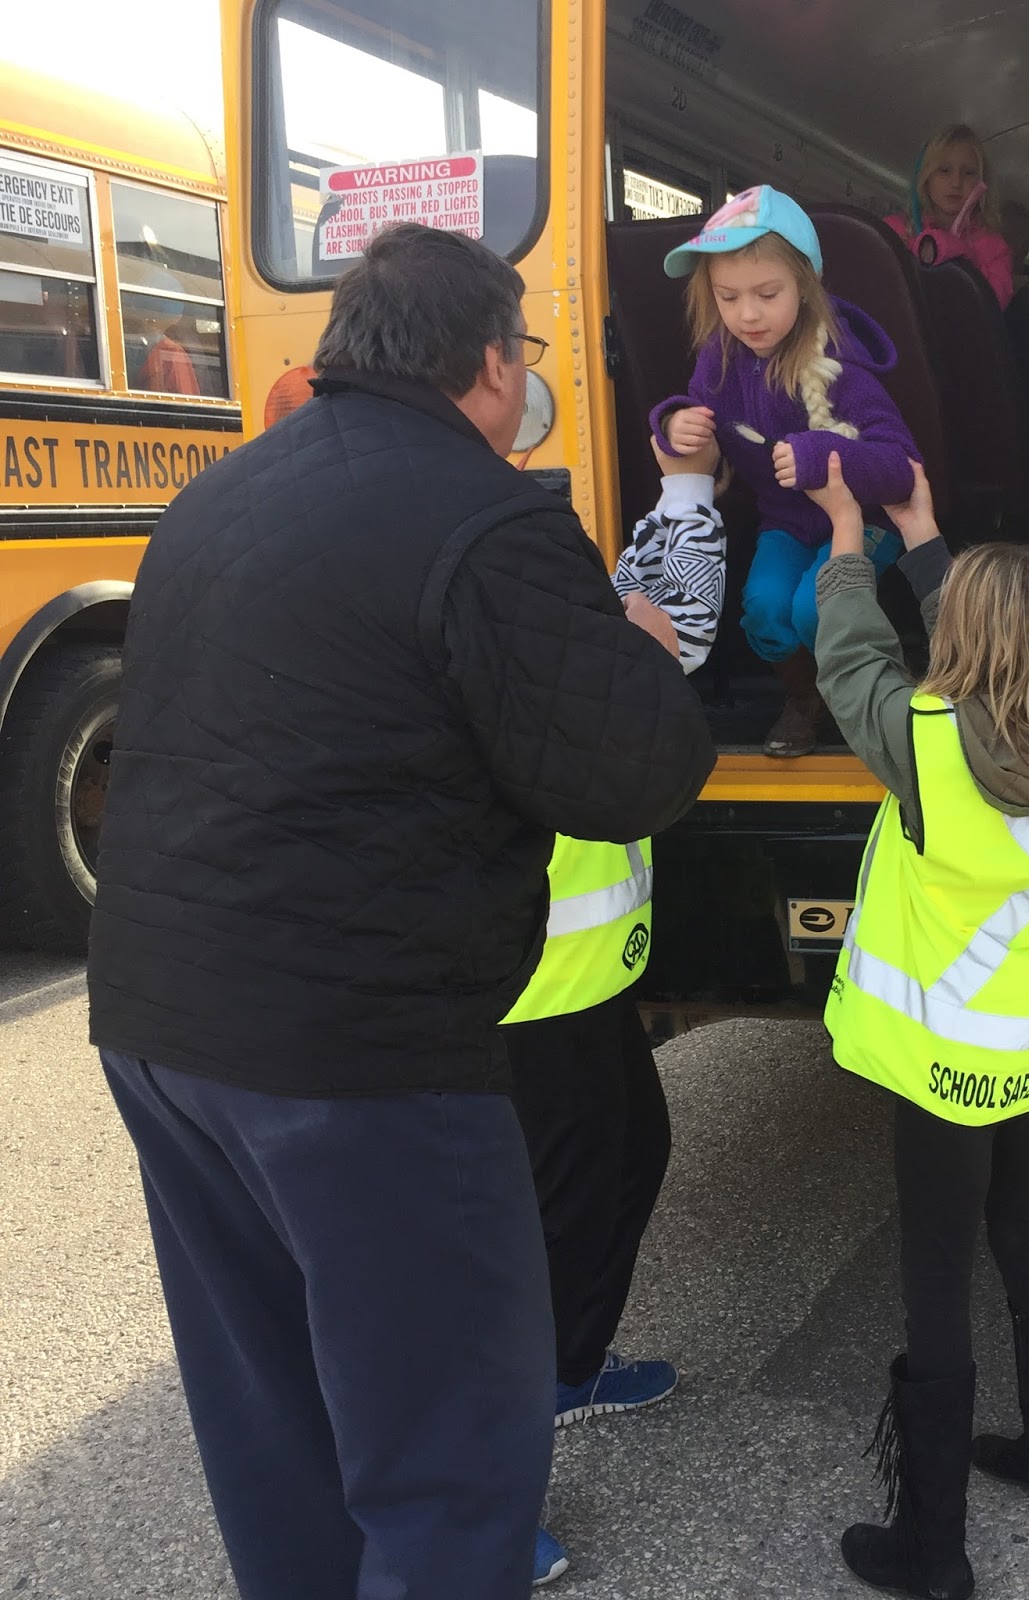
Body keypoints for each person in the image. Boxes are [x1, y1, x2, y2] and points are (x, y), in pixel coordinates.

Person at [87, 222, 716, 1600]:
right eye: (526, 356)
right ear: (490, 362)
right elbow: (633, 774)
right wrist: (641, 655)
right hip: (357, 1053)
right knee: (447, 1450)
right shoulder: (487, 512)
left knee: (280, 1427)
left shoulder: (218, 499)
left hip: (158, 1025)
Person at [808, 453, 1029, 1600]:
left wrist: (847, 544)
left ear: (964, 646)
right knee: (1021, 1237)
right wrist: (924, 535)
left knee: (935, 1272)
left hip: (941, 1066)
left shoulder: (923, 745)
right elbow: (984, 642)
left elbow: (851, 658)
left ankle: (931, 1550)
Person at [502, 430, 726, 1431]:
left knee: (631, 1154)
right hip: (537, 984)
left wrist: (683, 481)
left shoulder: (558, 619)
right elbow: (673, 608)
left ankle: (569, 1363)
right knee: (564, 1198)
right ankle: (534, 1391)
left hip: (581, 976)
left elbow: (643, 577)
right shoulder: (559, 658)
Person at [650, 184, 919, 758]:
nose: (747, 314)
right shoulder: (719, 363)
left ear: (805, 284)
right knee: (767, 611)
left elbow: (902, 467)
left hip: (867, 521)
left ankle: (864, 698)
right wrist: (674, 425)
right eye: (727, 298)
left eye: (767, 293)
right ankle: (806, 698)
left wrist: (823, 456)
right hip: (787, 523)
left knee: (810, 607)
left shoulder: (844, 366)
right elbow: (704, 427)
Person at [886, 125, 1015, 309]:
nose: (956, 182)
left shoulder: (995, 249)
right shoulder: (894, 231)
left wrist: (961, 254)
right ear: (925, 177)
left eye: (968, 173)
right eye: (944, 170)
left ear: (981, 182)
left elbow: (990, 306)